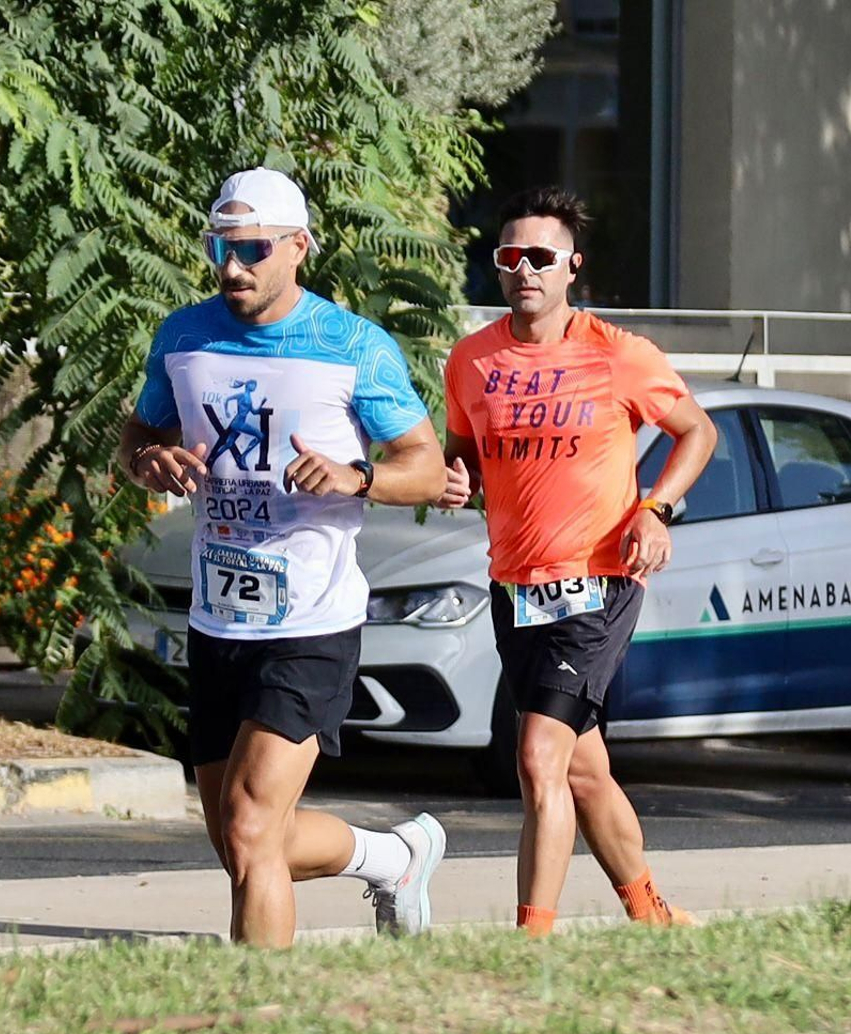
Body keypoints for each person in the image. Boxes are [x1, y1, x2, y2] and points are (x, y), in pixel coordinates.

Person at [117, 167, 448, 948]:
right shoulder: (184, 335)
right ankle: (392, 856)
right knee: (241, 842)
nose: (232, 267)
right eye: (219, 248)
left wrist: (356, 476)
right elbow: (135, 440)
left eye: (253, 249)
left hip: (311, 622)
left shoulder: (353, 348)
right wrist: (147, 463)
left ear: (298, 247)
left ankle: (257, 1012)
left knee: (251, 824)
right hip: (218, 617)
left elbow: (426, 467)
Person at [436, 187, 718, 935]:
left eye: (540, 257)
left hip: (597, 582)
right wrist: (454, 480)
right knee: (584, 769)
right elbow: (462, 460)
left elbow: (697, 432)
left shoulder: (618, 354)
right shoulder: (470, 361)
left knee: (536, 759)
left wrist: (654, 509)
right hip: (515, 588)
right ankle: (650, 913)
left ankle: (531, 937)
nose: (523, 269)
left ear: (571, 268)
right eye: (509, 257)